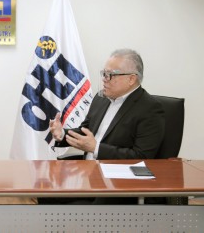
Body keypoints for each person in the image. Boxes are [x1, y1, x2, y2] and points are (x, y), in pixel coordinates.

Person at [39, 48, 165, 205]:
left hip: (115, 184)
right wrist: (62, 134)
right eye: (103, 73)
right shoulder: (101, 99)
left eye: (110, 75)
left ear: (131, 79)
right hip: (86, 175)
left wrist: (96, 148)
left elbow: (142, 157)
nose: (104, 79)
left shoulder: (150, 109)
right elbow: (85, 132)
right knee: (43, 191)